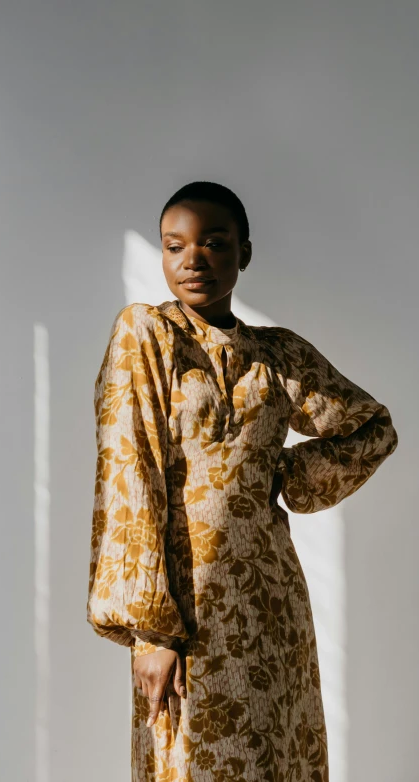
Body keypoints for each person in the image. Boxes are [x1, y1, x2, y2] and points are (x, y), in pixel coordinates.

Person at [86, 181, 398, 781]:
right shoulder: (145, 335)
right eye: (174, 246)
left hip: (271, 603)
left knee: (275, 757)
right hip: (185, 608)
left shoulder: (277, 355)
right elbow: (129, 471)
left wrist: (287, 473)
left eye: (214, 243)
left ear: (244, 253)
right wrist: (151, 631)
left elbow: (372, 427)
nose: (193, 260)